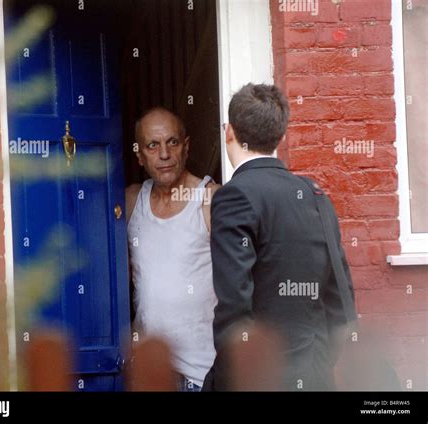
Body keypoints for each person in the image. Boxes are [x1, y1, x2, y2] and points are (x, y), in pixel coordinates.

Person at [203, 84, 356, 391]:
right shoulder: (316, 196)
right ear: (281, 136)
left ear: (228, 131)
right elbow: (342, 304)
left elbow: (234, 306)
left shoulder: (235, 196)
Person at [126, 107, 220, 391]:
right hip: (150, 373)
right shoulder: (131, 201)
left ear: (186, 147)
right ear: (139, 155)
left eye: (172, 142)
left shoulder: (210, 199)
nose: (164, 154)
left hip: (200, 374)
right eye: (152, 145)